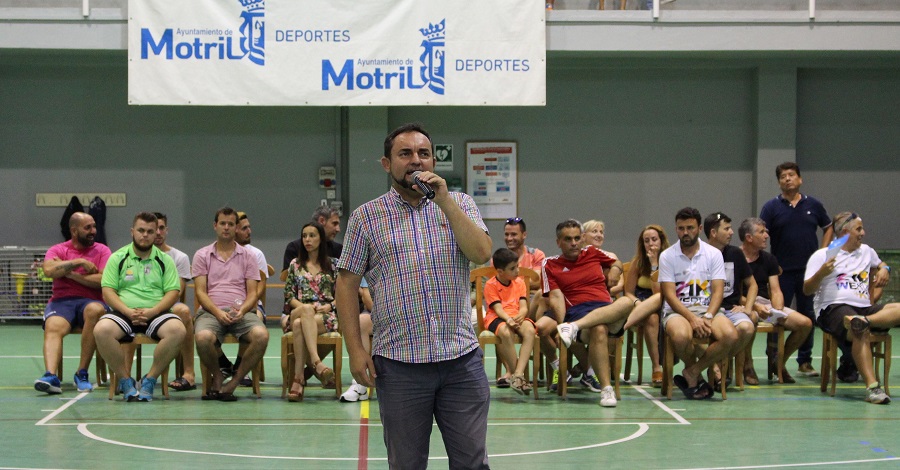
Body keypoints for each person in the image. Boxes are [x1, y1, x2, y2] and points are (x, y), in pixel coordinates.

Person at [335, 123, 493, 469]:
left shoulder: (461, 204)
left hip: (460, 361)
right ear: (386, 164)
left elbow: (481, 253)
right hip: (399, 365)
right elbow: (346, 284)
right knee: (406, 464)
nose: (416, 161)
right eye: (405, 154)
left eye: (423, 153)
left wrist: (446, 202)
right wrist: (356, 350)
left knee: (472, 463)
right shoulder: (366, 217)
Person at [803, 211, 899, 404]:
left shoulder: (866, 251)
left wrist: (884, 269)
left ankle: (864, 321)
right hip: (833, 308)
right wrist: (821, 273)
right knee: (859, 331)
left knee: (865, 321)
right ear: (845, 232)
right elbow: (807, 290)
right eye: (859, 229)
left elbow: (882, 264)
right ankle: (873, 388)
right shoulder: (823, 255)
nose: (863, 233)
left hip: (863, 310)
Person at [93, 212, 186, 401]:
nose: (145, 235)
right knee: (101, 330)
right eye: (141, 230)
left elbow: (173, 292)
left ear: (156, 234)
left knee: (178, 330)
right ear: (132, 231)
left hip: (156, 313)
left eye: (150, 231)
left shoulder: (165, 260)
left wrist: (153, 311)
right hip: (123, 312)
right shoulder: (117, 257)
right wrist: (127, 311)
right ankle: (125, 380)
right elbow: (108, 291)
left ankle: (149, 379)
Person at [548, 219, 634, 407]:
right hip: (578, 312)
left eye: (577, 238)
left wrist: (616, 271)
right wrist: (561, 322)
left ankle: (573, 328)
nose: (574, 243)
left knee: (628, 301)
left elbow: (616, 261)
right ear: (558, 242)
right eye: (568, 239)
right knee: (599, 329)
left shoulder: (592, 252)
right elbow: (555, 298)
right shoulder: (550, 265)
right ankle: (606, 389)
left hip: (605, 308)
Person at [760, 162, 833, 377]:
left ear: (800, 179)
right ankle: (773, 358)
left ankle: (804, 361)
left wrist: (823, 252)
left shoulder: (814, 205)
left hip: (809, 273)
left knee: (807, 314)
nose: (787, 179)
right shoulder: (771, 207)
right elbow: (761, 233)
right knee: (777, 314)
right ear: (779, 182)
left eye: (791, 175)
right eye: (783, 176)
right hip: (781, 272)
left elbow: (828, 227)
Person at [658, 207, 738, 400]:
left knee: (730, 335)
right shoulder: (667, 256)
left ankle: (693, 372)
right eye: (681, 228)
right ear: (676, 229)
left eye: (690, 228)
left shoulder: (713, 254)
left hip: (708, 309)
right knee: (680, 336)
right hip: (677, 311)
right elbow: (670, 296)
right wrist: (692, 318)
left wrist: (708, 316)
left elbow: (718, 290)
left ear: (700, 228)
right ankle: (697, 375)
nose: (685, 232)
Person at [192, 207, 269, 402]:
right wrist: (217, 312)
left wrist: (242, 310)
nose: (226, 228)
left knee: (261, 336)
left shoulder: (248, 256)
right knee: (202, 338)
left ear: (236, 228)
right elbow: (200, 292)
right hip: (211, 311)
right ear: (215, 226)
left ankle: (233, 382)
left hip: (240, 311)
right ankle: (218, 375)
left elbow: (253, 293)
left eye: (231, 224)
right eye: (223, 224)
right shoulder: (202, 255)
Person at [34, 212, 111, 394]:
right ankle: (50, 376)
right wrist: (79, 262)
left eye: (94, 226)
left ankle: (81, 373)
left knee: (94, 310)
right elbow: (48, 271)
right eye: (88, 228)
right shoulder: (58, 249)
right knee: (52, 325)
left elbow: (102, 280)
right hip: (61, 303)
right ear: (74, 231)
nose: (93, 231)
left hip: (91, 301)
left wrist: (68, 273)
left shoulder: (102, 250)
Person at [739, 217, 812, 384]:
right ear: (749, 237)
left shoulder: (769, 259)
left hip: (766, 305)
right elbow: (732, 293)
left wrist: (777, 310)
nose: (767, 235)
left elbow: (775, 289)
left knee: (805, 324)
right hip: (744, 304)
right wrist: (754, 307)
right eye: (762, 232)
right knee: (752, 318)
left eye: (766, 232)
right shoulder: (735, 257)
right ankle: (748, 365)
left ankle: (779, 362)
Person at [282, 222, 338, 402]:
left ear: (321, 239)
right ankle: (317, 363)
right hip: (299, 309)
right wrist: (303, 306)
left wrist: (330, 306)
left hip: (325, 315)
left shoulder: (333, 265)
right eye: (304, 235)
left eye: (312, 235)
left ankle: (298, 380)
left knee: (299, 326)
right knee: (304, 312)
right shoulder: (295, 265)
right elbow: (289, 295)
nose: (307, 239)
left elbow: (342, 295)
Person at [704, 212, 758, 386]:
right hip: (708, 309)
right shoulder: (701, 254)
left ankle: (719, 362)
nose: (732, 232)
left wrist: (748, 308)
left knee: (747, 327)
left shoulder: (735, 253)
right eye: (726, 229)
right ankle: (716, 366)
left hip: (731, 308)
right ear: (713, 233)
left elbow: (753, 285)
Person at [622, 224, 671, 388]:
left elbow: (659, 292)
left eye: (654, 239)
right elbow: (628, 292)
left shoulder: (670, 260)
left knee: (657, 299)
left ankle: (621, 327)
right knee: (651, 317)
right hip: (641, 305)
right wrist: (636, 302)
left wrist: (655, 264)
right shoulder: (638, 263)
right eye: (646, 241)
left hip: (665, 302)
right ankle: (657, 368)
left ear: (662, 241)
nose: (651, 244)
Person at [152, 212, 196, 392]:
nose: (158, 233)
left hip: (169, 306)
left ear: (166, 230)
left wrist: (154, 307)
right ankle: (126, 376)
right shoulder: (132, 255)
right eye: (154, 229)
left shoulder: (180, 257)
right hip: (141, 306)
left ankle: (189, 373)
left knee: (184, 311)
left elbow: (177, 290)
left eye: (161, 228)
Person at [484, 248, 537, 395]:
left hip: (516, 315)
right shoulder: (491, 285)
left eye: (517, 266)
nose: (517, 271)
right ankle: (516, 376)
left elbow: (524, 306)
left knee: (530, 331)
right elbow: (497, 308)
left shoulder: (519, 283)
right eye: (512, 268)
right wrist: (508, 319)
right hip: (497, 317)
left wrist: (521, 314)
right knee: (505, 333)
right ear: (500, 271)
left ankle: (518, 374)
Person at [282, 206, 342, 272]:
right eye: (334, 223)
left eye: (311, 235)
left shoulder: (338, 249)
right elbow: (287, 277)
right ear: (321, 221)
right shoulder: (294, 248)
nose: (338, 229)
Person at [582, 219, 623, 296]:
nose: (599, 235)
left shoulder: (611, 256)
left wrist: (600, 294)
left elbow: (620, 285)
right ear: (583, 236)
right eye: (594, 231)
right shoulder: (577, 256)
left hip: (607, 297)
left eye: (601, 232)